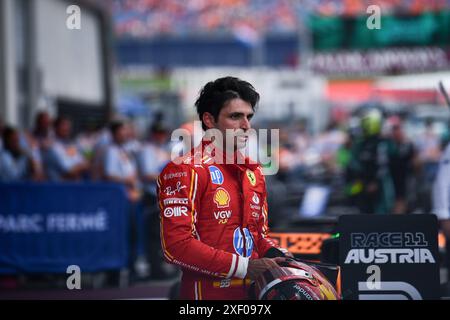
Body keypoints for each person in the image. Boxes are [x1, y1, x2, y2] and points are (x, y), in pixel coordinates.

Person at [157, 77, 290, 300]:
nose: (246, 126)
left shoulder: (253, 172)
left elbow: (257, 235)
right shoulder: (184, 169)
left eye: (249, 117)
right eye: (235, 116)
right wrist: (243, 267)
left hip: (254, 293)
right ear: (209, 120)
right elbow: (175, 246)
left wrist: (278, 254)